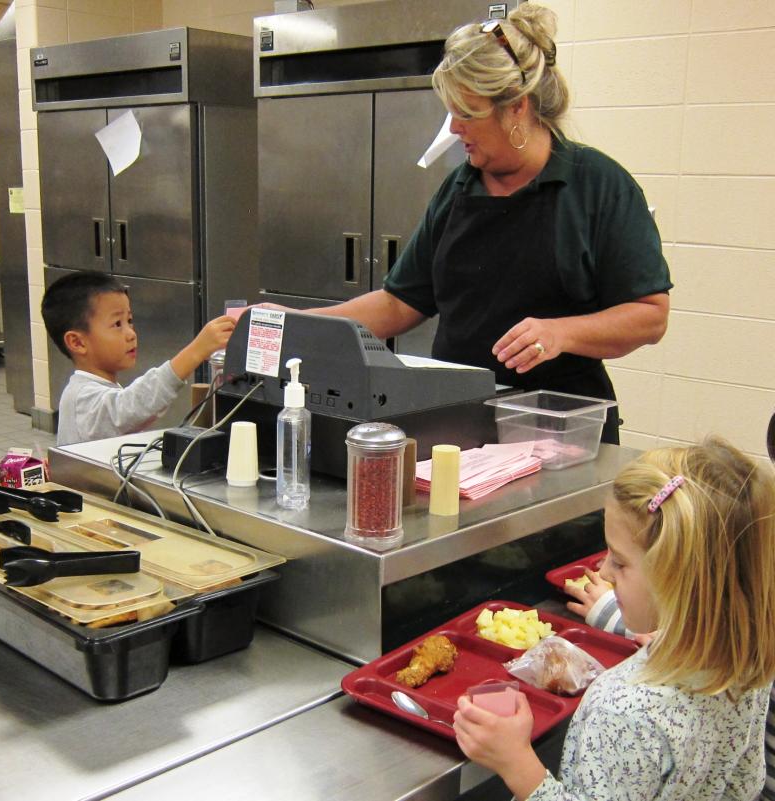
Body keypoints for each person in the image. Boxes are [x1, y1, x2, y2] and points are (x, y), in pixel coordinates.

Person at [303, 4, 671, 443]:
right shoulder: (458, 190)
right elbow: (399, 304)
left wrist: (561, 332)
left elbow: (650, 316)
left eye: (467, 112)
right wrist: (299, 324)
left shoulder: (597, 187)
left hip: (560, 434)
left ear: (516, 107)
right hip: (459, 425)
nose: (454, 128)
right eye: (450, 112)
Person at [452, 436, 775, 801]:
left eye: (620, 562)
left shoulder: (624, 710)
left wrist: (517, 763)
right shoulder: (748, 662)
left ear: (678, 580)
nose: (604, 571)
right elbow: (744, 784)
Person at [41, 270, 236, 446]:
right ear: (77, 342)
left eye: (130, 321)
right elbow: (134, 406)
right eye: (117, 324)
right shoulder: (81, 399)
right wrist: (196, 351)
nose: (131, 334)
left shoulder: (101, 388)